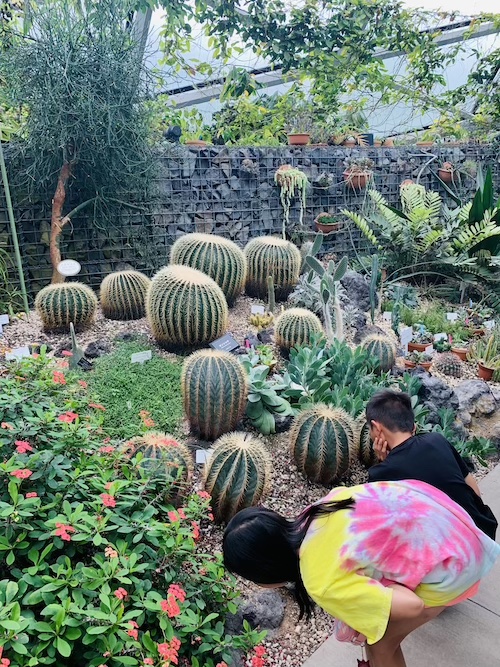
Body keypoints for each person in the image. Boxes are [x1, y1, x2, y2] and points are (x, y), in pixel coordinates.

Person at [223, 480, 500, 667]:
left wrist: (370, 612)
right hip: (457, 525)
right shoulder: (317, 510)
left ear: (265, 568)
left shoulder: (321, 581)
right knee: (372, 627)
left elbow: (412, 606)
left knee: (380, 643)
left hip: (456, 564)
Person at [366, 389, 497, 539]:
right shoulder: (437, 440)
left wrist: (384, 463)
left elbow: (387, 529)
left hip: (451, 553)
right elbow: (472, 487)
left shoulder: (381, 474)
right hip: (482, 531)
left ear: (377, 428)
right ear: (411, 425)